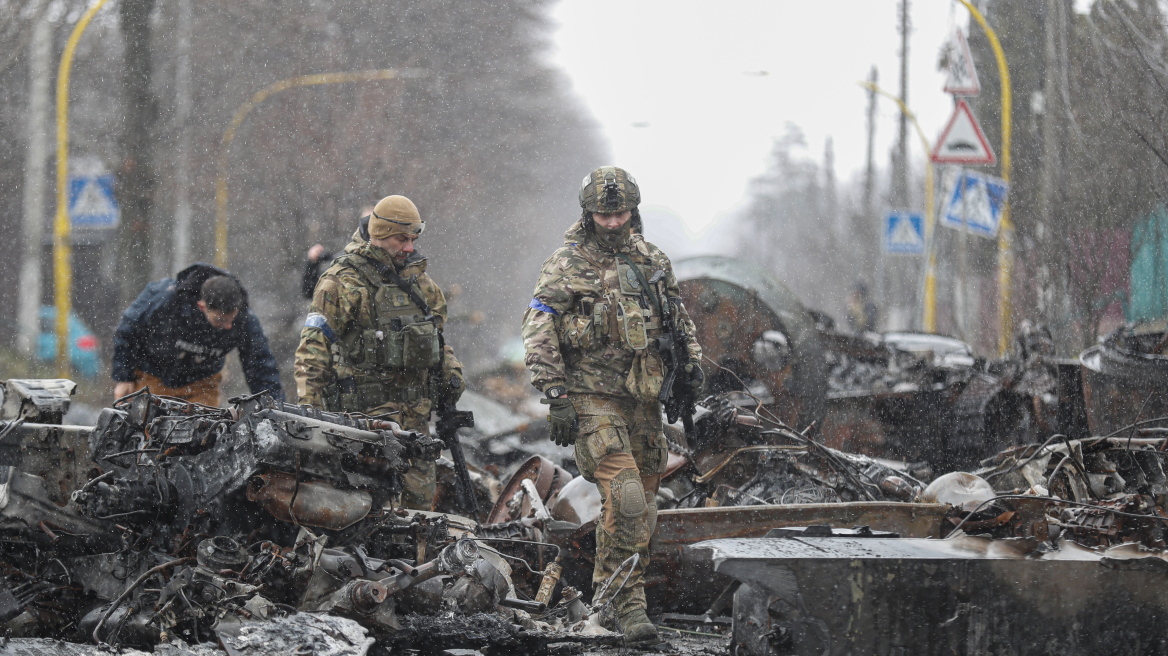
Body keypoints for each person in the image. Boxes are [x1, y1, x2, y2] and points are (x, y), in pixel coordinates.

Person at [521, 166, 703, 645]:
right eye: (603, 214)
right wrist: (555, 393)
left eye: (620, 212)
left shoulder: (653, 260)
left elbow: (678, 321)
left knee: (640, 509)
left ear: (633, 210)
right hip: (591, 397)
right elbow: (538, 327)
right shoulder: (566, 263)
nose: (613, 222)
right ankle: (629, 603)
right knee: (622, 493)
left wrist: (691, 370)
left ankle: (607, 591)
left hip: (643, 402)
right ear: (588, 213)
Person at [293, 194, 465, 511]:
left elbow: (436, 340)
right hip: (361, 429)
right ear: (379, 234)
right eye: (402, 239)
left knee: (418, 517)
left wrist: (451, 375)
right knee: (365, 515)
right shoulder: (341, 282)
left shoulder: (422, 286)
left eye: (413, 239)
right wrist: (310, 418)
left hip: (415, 429)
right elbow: (312, 352)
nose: (410, 247)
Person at [112, 264, 282, 405]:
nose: (228, 325)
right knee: (150, 436)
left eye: (232, 319)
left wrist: (273, 406)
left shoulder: (245, 320)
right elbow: (128, 330)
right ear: (202, 307)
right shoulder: (164, 300)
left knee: (203, 437)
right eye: (221, 320)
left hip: (202, 383)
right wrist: (124, 377)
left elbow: (260, 364)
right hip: (153, 376)